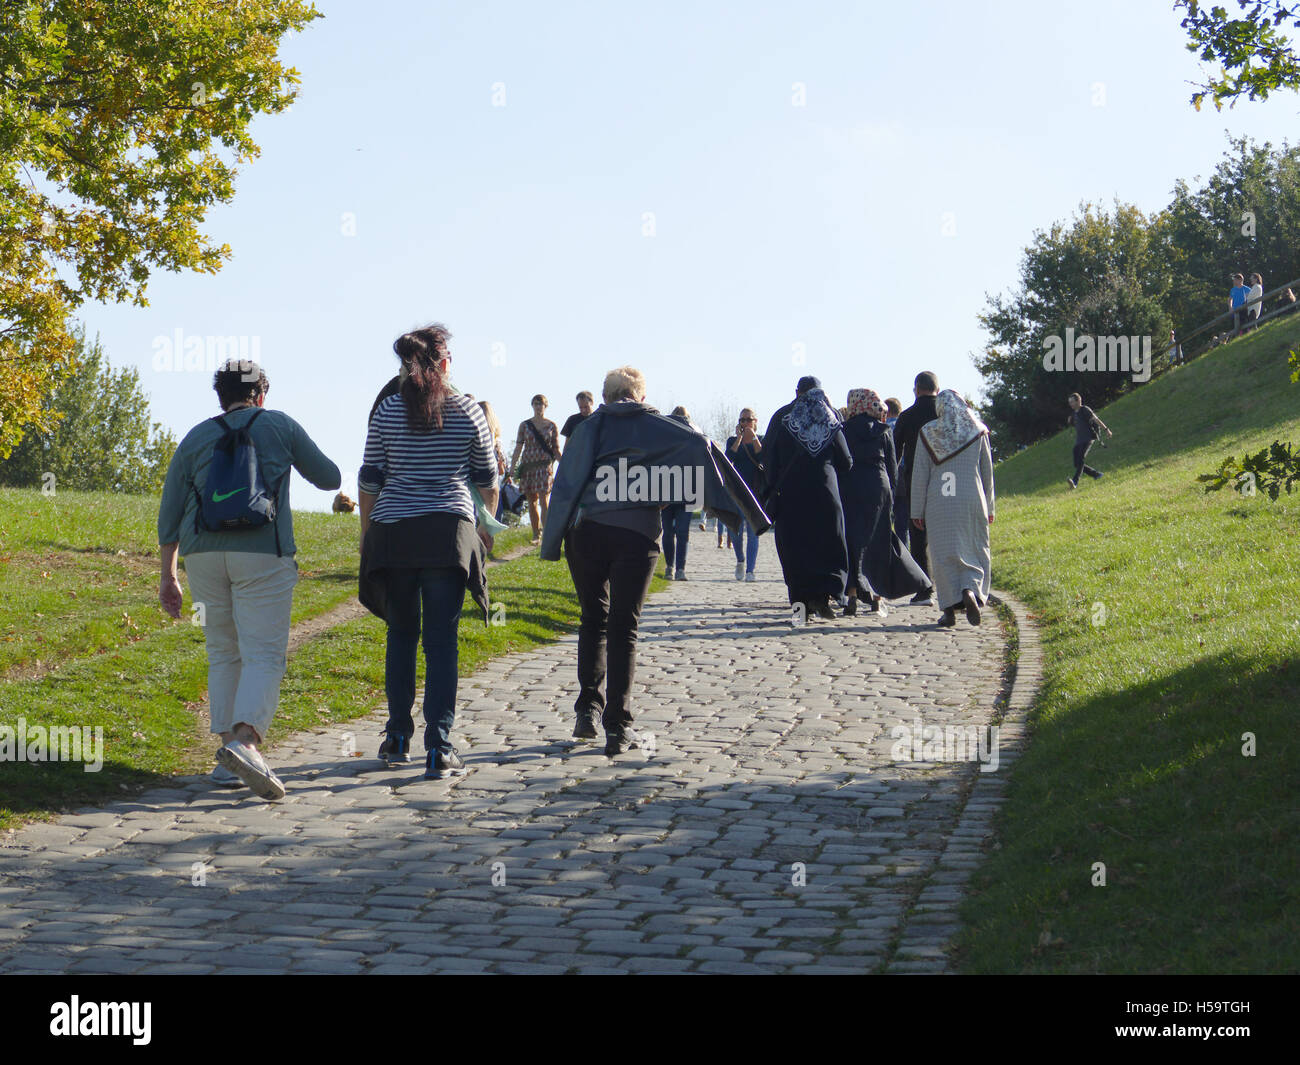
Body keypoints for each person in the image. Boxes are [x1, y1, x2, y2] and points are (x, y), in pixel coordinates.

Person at [542, 367, 768, 755]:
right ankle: (617, 725)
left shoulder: (588, 428)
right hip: (637, 533)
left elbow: (565, 485)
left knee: (593, 619)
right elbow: (702, 444)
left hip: (589, 532)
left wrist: (551, 540)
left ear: (607, 396)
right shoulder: (660, 427)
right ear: (642, 396)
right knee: (624, 625)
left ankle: (587, 709)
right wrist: (740, 509)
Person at [157, 359, 341, 799]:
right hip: (263, 556)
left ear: (220, 396)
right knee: (263, 654)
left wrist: (167, 574)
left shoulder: (196, 436)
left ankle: (227, 757)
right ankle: (245, 741)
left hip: (201, 557)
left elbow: (170, 510)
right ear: (261, 393)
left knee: (222, 652)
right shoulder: (279, 425)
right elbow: (330, 478)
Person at [358, 325, 498, 780]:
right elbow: (486, 477)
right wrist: (485, 530)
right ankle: (438, 746)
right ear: (444, 362)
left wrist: (367, 533)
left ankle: (397, 736)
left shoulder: (386, 412)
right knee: (441, 643)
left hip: (395, 533)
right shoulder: (467, 410)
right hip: (447, 535)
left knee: (400, 636)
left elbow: (370, 480)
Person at [761, 376, 852, 621]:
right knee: (826, 544)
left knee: (795, 549)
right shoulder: (829, 416)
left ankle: (800, 606)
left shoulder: (782, 416)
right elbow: (846, 460)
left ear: (797, 392)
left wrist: (771, 487)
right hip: (825, 492)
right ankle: (823, 597)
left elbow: (768, 457)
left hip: (791, 495)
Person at [840, 388, 931, 616]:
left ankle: (852, 595)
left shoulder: (843, 431)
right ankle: (877, 598)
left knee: (854, 541)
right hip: (878, 489)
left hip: (851, 488)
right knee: (879, 541)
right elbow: (892, 467)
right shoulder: (883, 431)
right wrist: (890, 493)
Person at [909, 390, 994, 628]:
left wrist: (917, 510)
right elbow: (987, 471)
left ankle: (948, 610)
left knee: (943, 554)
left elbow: (920, 474)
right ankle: (971, 589)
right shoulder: (978, 429)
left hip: (940, 500)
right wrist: (990, 506)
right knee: (974, 548)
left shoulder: (928, 432)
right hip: (971, 497)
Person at [892, 371, 941, 604]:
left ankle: (925, 588)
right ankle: (956, 586)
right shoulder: (945, 415)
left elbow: (895, 452)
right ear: (937, 389)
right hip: (946, 479)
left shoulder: (908, 416)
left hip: (916, 481)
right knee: (944, 531)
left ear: (916, 389)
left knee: (918, 534)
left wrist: (893, 480)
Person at [510, 395, 560, 545]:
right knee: (532, 501)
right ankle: (535, 534)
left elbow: (556, 449)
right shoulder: (524, 425)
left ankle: (547, 534)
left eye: (541, 404)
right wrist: (512, 466)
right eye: (536, 404)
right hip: (528, 466)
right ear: (532, 406)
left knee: (544, 500)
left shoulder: (551, 425)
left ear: (546, 406)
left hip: (544, 466)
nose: (539, 407)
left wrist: (564, 464)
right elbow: (518, 447)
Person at [725, 407, 764, 581]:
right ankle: (740, 559)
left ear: (755, 422)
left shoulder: (761, 440)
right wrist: (739, 438)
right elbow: (727, 459)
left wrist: (753, 438)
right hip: (737, 491)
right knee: (736, 531)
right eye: (742, 420)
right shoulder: (733, 440)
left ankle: (750, 570)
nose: (745, 423)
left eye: (749, 420)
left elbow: (763, 458)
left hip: (755, 492)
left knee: (753, 532)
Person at [660, 405, 698, 580]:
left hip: (687, 493)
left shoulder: (693, 440)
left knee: (682, 532)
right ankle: (670, 565)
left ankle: (680, 568)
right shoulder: (666, 442)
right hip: (667, 493)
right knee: (668, 532)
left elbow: (699, 468)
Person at [1066, 392, 1112, 488]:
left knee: (1081, 458)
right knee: (1076, 463)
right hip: (1079, 440)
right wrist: (1070, 421)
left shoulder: (1085, 409)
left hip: (1089, 437)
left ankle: (1075, 481)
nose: (1070, 404)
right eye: (1069, 402)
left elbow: (1096, 419)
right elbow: (1078, 424)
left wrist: (1106, 429)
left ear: (1078, 401)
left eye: (1072, 402)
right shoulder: (1074, 413)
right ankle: (1096, 474)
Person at [478, 400, 511, 522]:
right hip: (495, 468)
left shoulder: (481, 427)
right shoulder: (496, 432)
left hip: (483, 463)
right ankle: (493, 521)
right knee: (494, 495)